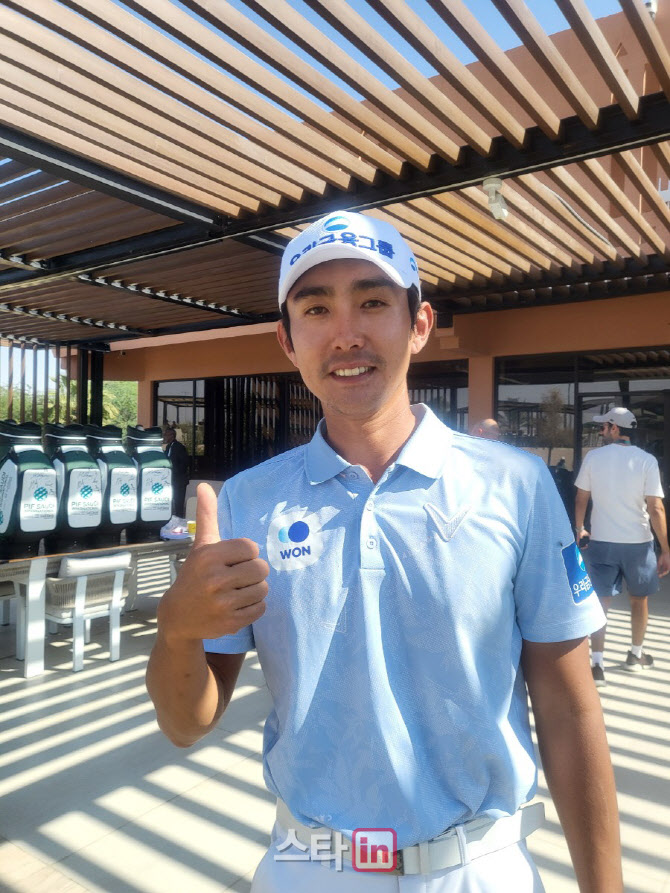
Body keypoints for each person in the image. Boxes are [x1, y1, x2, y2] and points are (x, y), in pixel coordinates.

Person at [147, 211, 621, 892]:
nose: (346, 334)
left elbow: (569, 707)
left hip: (479, 867)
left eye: (372, 302)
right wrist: (176, 630)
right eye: (316, 308)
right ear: (287, 339)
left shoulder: (515, 485)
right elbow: (185, 723)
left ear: (419, 324)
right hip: (310, 864)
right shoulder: (251, 501)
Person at [575, 407, 670, 687]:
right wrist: (666, 549)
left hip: (602, 542)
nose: (600, 431)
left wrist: (580, 528)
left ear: (615, 428)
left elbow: (581, 498)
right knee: (639, 600)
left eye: (603, 427)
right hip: (638, 544)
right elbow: (656, 508)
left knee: (601, 602)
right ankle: (635, 655)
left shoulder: (593, 458)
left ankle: (597, 664)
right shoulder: (647, 461)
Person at [163, 425, 189, 517]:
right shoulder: (168, 447)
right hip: (170, 479)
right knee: (171, 501)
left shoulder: (179, 447)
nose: (164, 437)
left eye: (166, 435)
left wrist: (175, 473)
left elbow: (184, 463)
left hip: (179, 480)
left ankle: (179, 519)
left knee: (179, 502)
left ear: (172, 436)